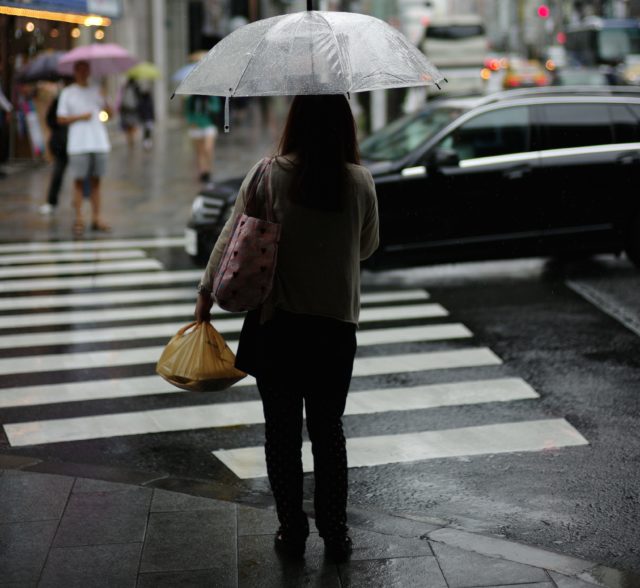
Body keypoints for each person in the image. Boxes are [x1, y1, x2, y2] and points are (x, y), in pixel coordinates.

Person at [194, 95, 379, 561]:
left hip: (277, 326)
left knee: (281, 433)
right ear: (345, 126)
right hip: (335, 328)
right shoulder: (358, 181)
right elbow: (367, 247)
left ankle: (291, 530)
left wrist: (204, 294)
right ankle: (335, 532)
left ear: (294, 123)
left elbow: (232, 236)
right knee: (327, 430)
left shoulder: (268, 174)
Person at [57, 60, 111, 237]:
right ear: (75, 71)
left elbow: (110, 114)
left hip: (99, 141)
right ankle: (79, 218)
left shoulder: (96, 90)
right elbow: (61, 118)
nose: (83, 73)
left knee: (97, 182)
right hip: (78, 144)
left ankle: (97, 217)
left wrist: (106, 100)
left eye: (86, 69)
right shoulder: (68, 93)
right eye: (79, 69)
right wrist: (80, 117)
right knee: (79, 181)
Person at [40, 80, 71, 215]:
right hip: (62, 142)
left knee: (82, 175)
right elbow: (50, 119)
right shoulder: (60, 98)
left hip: (78, 141)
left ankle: (80, 201)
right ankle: (51, 201)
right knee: (58, 171)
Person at [185, 95, 221, 184]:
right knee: (200, 151)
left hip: (209, 125)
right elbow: (188, 111)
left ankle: (209, 170)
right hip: (196, 126)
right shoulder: (192, 98)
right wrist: (191, 121)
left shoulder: (212, 97)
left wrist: (208, 105)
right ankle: (202, 172)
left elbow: (217, 109)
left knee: (208, 149)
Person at [119, 78, 140, 148]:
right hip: (133, 111)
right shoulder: (136, 88)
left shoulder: (124, 88)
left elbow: (120, 99)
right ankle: (132, 139)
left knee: (128, 127)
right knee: (132, 126)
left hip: (126, 111)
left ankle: (129, 140)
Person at [137, 85, 155, 150]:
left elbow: (139, 111)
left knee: (145, 132)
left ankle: (146, 143)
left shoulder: (141, 102)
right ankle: (147, 143)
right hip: (149, 119)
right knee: (148, 132)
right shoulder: (149, 102)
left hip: (144, 119)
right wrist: (153, 118)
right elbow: (152, 111)